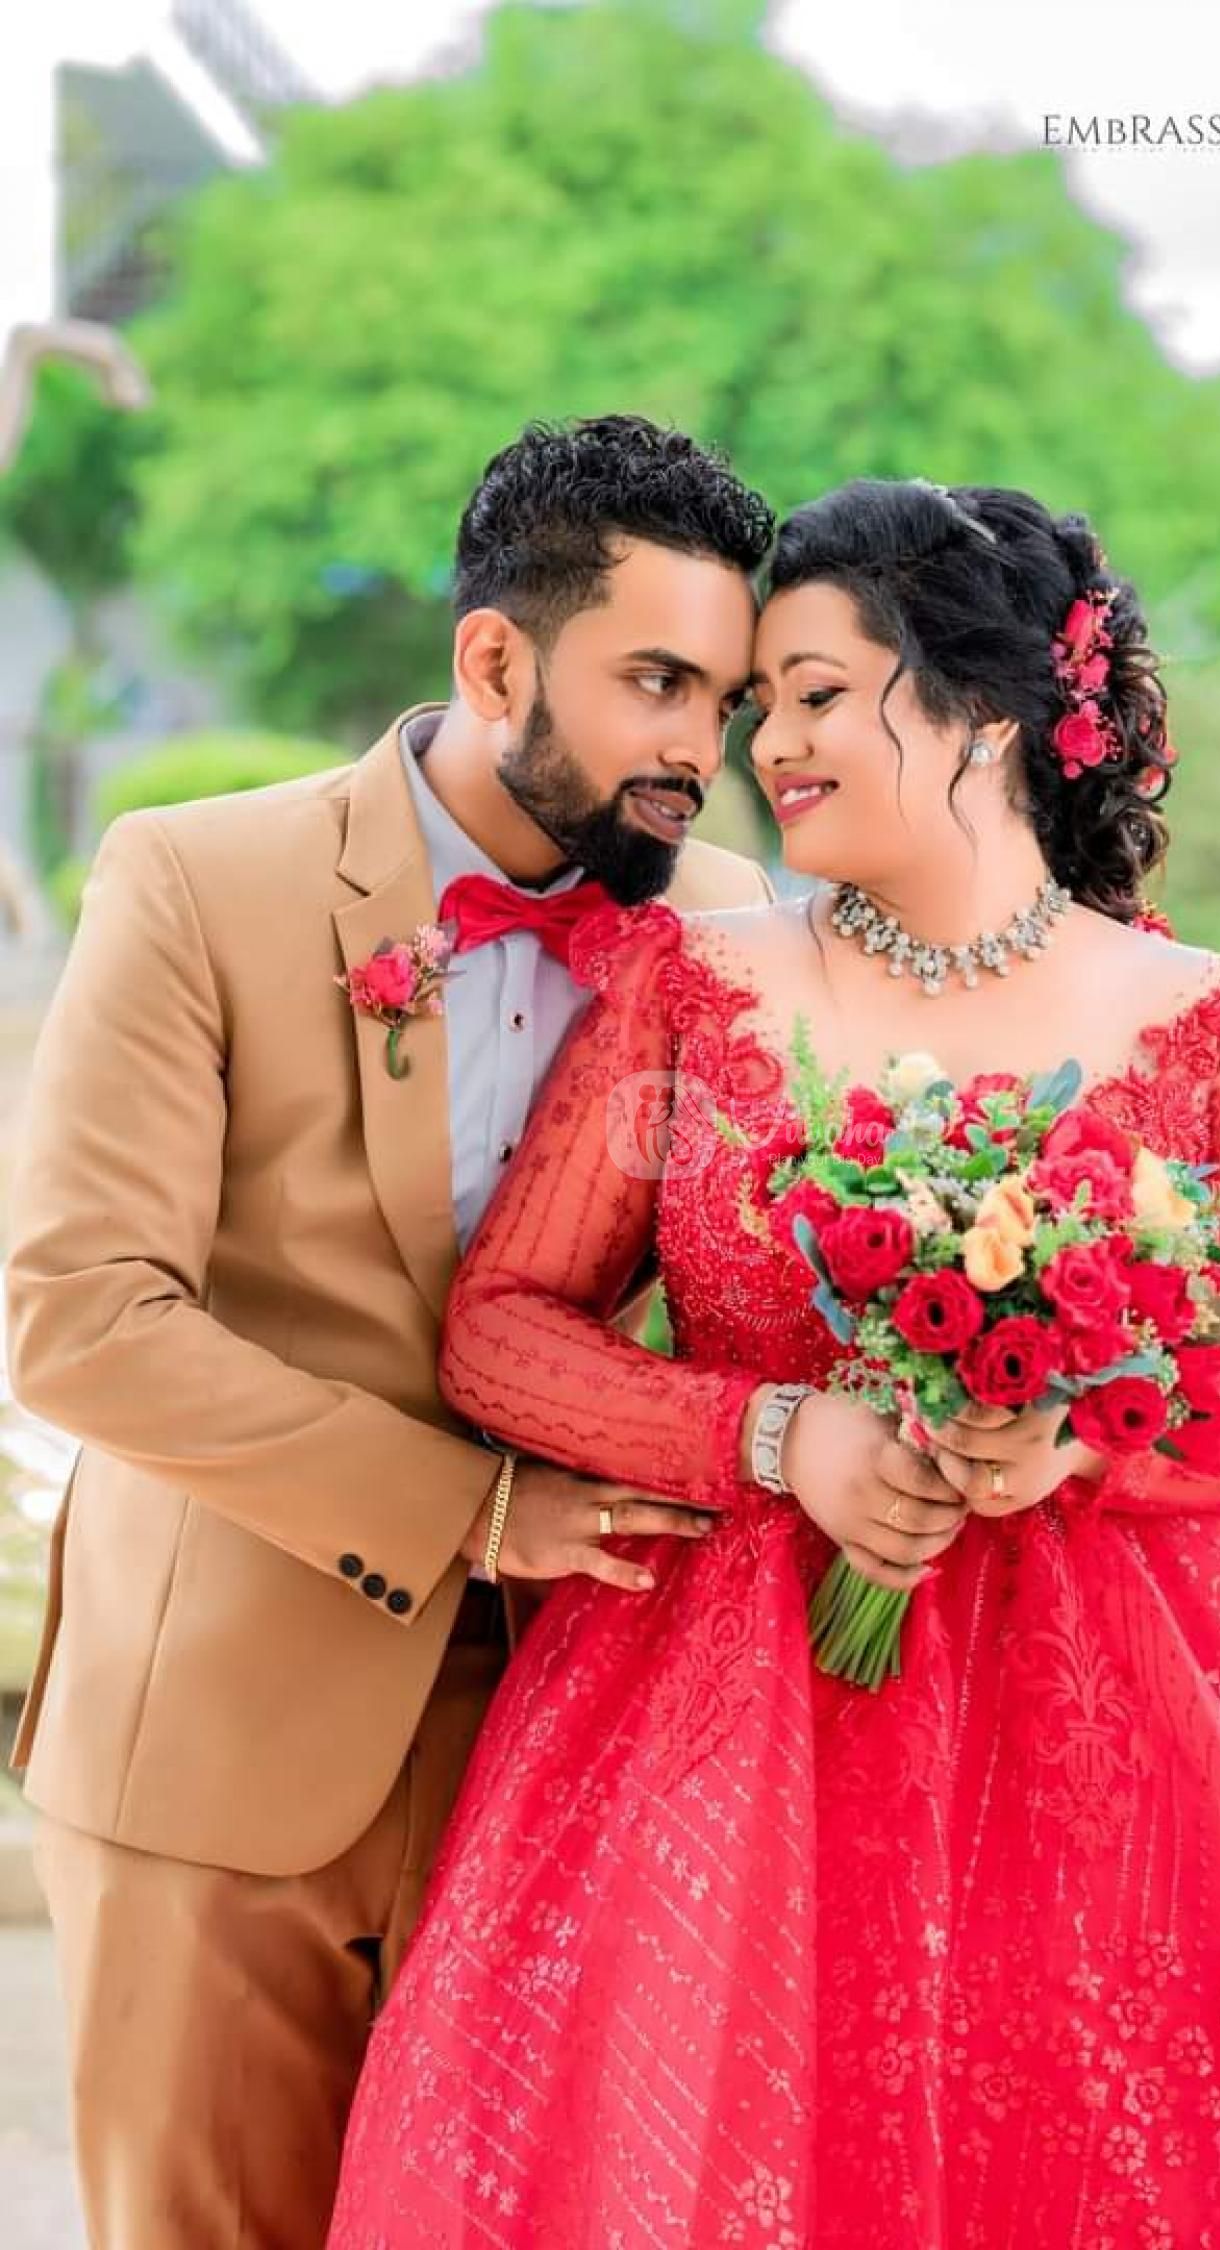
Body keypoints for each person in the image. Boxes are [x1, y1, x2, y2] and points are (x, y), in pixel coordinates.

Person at [328, 478, 1220, 2247]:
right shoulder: (687, 983)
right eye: (757, 706)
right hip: (723, 1733)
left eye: (814, 694)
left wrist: (1085, 1438)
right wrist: (775, 1432)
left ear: (986, 715)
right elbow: (501, 1327)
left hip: (1121, 1745)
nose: (765, 747)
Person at [3, 414, 778, 2250]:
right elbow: (79, 1314)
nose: (700, 748)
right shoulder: (196, 876)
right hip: (220, 1739)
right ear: (494, 659)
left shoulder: (730, 925)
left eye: (728, 699)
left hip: (565, 1747)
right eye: (656, 682)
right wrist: (472, 1509)